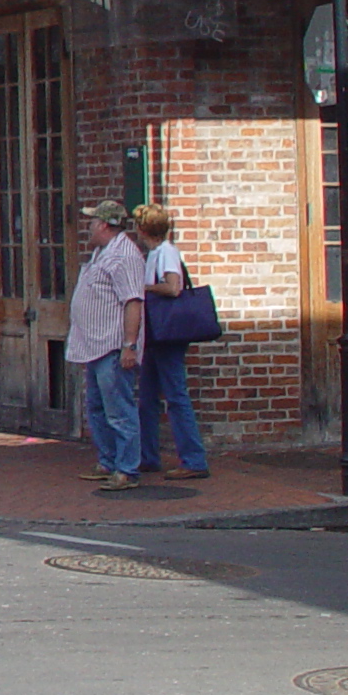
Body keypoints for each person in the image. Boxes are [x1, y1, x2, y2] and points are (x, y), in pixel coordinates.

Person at [69, 199, 148, 491]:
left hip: (112, 345)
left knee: (119, 410)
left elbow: (133, 302)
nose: (88, 226)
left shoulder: (125, 256)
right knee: (98, 407)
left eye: (92, 221)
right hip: (94, 344)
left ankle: (127, 469)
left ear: (103, 224)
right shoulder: (102, 252)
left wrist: (129, 345)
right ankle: (109, 460)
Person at [132, 202, 209, 480]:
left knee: (176, 396)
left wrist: (144, 288)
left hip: (166, 334)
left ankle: (193, 459)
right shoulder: (155, 252)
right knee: (148, 398)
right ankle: (148, 456)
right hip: (157, 335)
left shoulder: (165, 253)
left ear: (143, 229)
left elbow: (174, 287)